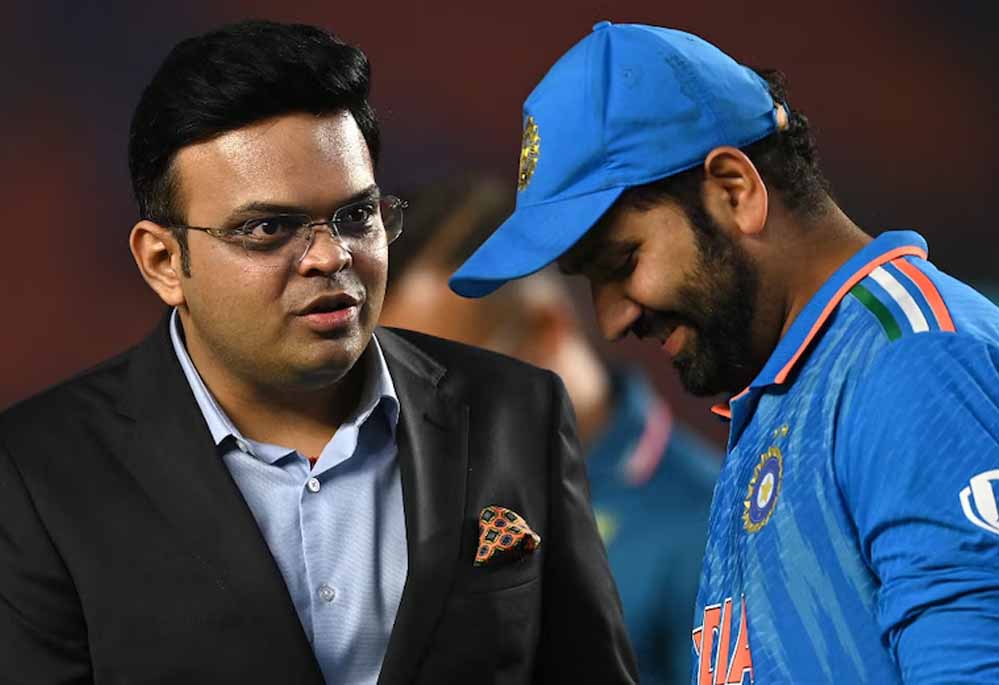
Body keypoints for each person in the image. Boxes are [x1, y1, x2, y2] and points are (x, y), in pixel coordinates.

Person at [0, 20, 637, 684]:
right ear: (163, 261)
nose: (331, 256)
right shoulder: (37, 474)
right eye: (268, 228)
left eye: (356, 216)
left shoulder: (517, 411)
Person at [449, 21, 999, 684]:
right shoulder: (794, 387)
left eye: (623, 261)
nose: (613, 319)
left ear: (734, 190)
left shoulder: (912, 361)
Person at [382, 176, 720, 685]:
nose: (420, 417)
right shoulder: (406, 504)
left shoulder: (708, 529)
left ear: (546, 330)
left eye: (442, 382)